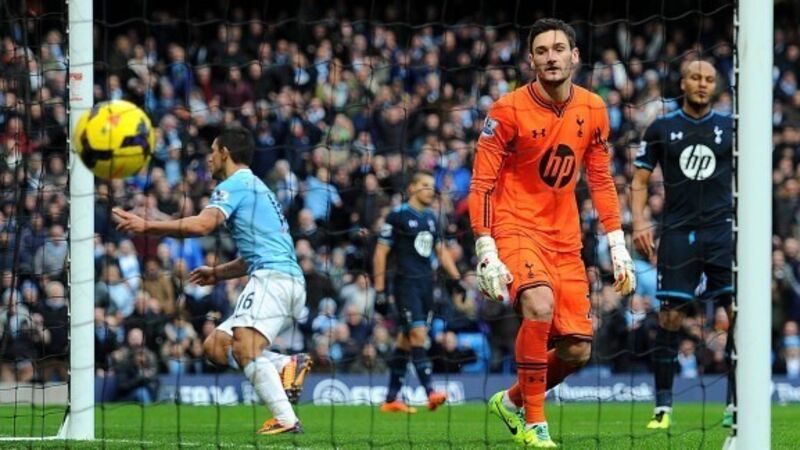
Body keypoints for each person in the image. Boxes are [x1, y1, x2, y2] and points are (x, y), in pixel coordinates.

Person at [468, 18, 636, 447]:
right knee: (538, 305)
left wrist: (617, 243)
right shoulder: (507, 110)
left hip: (565, 238)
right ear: (531, 60)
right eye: (541, 51)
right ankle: (535, 424)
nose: (551, 58)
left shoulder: (594, 109)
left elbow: (600, 179)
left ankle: (510, 401)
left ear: (574, 56)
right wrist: (486, 246)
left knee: (577, 350)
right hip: (515, 226)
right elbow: (482, 183)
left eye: (558, 49)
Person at [113, 127, 310, 435]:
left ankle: (286, 419)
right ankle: (284, 365)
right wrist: (217, 273)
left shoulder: (235, 184)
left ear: (225, 153)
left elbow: (203, 225)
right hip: (284, 281)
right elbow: (251, 256)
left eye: (212, 151)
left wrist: (147, 226)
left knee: (245, 347)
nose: (209, 158)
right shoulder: (257, 187)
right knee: (215, 346)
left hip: (273, 280)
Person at [631, 59, 734, 429]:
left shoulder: (731, 127)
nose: (702, 84)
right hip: (677, 232)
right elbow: (640, 180)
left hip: (722, 231)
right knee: (670, 317)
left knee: (735, 315)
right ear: (683, 83)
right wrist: (639, 221)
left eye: (709, 79)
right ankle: (663, 407)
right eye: (695, 77)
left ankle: (735, 404)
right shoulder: (662, 127)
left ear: (715, 85)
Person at [373, 170, 463, 414]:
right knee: (418, 334)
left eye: (432, 186)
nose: (430, 190)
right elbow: (380, 252)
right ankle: (430, 392)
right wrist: (380, 290)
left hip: (426, 286)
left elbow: (440, 250)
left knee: (406, 340)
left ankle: (391, 398)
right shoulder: (397, 216)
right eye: (424, 184)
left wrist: (456, 279)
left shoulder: (431, 217)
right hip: (405, 285)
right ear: (412, 188)